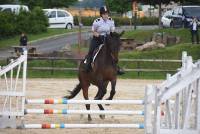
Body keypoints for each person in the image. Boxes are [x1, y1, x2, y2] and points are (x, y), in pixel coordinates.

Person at [84, 6, 124, 75]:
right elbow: (93, 31)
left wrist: (117, 35)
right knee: (91, 51)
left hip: (108, 40)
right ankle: (87, 66)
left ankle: (116, 68)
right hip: (97, 39)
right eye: (104, 14)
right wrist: (99, 36)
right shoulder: (97, 22)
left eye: (107, 13)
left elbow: (112, 31)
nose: (106, 15)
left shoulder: (111, 21)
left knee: (113, 51)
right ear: (101, 14)